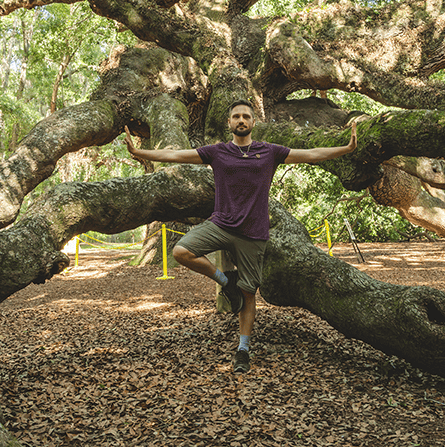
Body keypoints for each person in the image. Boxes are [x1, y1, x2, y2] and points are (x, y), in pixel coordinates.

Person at [124, 99, 357, 373]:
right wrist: (141, 153)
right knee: (181, 251)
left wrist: (348, 148)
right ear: (229, 123)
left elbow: (313, 153)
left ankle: (243, 350)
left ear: (253, 122)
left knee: (248, 294)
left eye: (246, 116)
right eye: (236, 116)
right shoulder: (218, 152)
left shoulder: (269, 151)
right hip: (221, 225)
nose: (241, 120)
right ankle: (225, 281)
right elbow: (177, 156)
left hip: (254, 233)